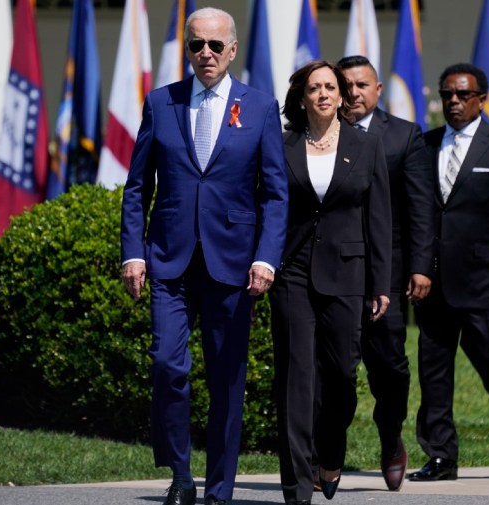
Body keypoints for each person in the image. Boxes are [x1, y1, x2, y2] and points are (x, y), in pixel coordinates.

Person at [119, 7, 288, 505]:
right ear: (188, 49)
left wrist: (266, 258)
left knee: (226, 380)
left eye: (216, 46)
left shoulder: (259, 107)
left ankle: (219, 488)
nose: (206, 54)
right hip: (169, 261)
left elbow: (275, 194)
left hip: (233, 266)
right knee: (168, 368)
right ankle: (180, 476)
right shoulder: (161, 102)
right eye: (197, 45)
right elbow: (136, 188)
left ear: (233, 50)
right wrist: (133, 252)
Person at [405, 63, 489, 482]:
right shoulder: (424, 146)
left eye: (463, 95)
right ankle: (442, 455)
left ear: (481, 98)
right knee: (433, 368)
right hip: (432, 280)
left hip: (487, 278)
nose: (454, 102)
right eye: (447, 94)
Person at [270, 60, 391, 505]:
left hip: (348, 272)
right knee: (295, 380)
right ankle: (296, 488)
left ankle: (331, 456)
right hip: (293, 271)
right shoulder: (281, 145)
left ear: (342, 96)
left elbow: (379, 217)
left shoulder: (367, 144)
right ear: (302, 98)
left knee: (341, 373)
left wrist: (381, 282)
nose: (323, 93)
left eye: (330, 87)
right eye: (314, 87)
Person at [335, 54, 433, 492]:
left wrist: (419, 266)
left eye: (361, 85)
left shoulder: (403, 136)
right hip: (333, 267)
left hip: (387, 269)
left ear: (377, 90)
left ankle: (391, 438)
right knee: (334, 366)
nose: (353, 93)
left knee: (389, 367)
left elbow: (419, 208)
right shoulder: (320, 131)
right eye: (345, 85)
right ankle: (327, 447)